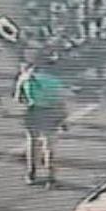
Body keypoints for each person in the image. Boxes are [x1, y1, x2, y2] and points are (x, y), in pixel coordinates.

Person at [14, 53, 68, 187]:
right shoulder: (54, 81)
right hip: (50, 113)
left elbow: (18, 99)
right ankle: (51, 176)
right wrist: (63, 119)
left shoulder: (24, 78)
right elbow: (60, 101)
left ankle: (31, 173)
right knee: (49, 146)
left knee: (32, 143)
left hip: (32, 112)